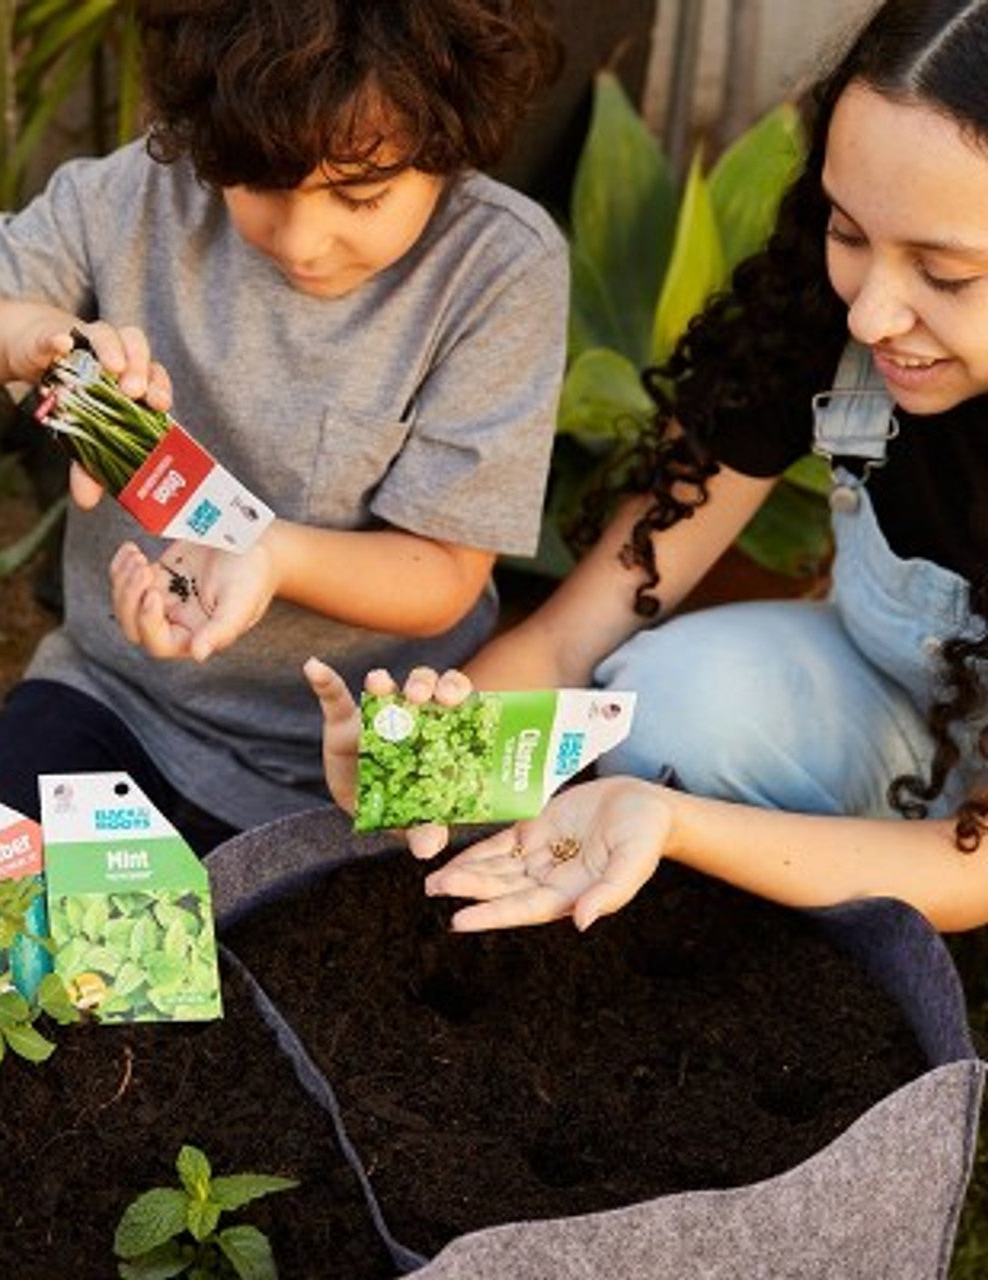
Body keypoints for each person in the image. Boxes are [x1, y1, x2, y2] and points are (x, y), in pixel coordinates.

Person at [0, 0, 569, 887]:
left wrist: (270, 556)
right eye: (258, 184)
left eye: (360, 194)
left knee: (279, 1004)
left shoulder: (499, 268)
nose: (302, 240)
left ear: (453, 143)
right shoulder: (135, 200)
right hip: (119, 704)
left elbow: (444, 576)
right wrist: (24, 336)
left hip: (371, 745)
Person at [309, 0, 988, 935]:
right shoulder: (822, 330)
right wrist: (416, 769)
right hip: (900, 715)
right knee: (661, 703)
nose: (871, 315)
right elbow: (568, 639)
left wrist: (676, 825)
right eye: (848, 231)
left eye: (946, 276)